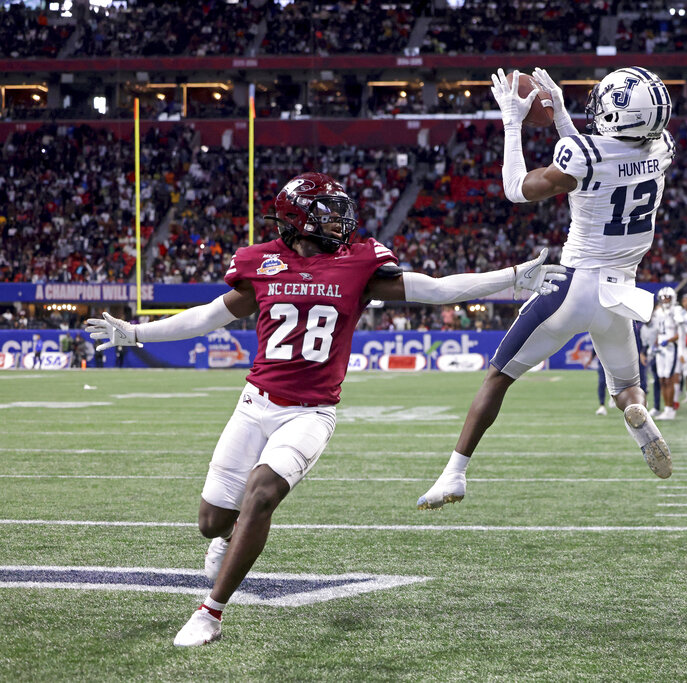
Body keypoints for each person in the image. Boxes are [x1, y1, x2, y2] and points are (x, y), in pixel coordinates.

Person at [86, 172, 566, 647]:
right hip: (254, 405)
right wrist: (134, 333)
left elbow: (437, 289)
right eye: (327, 211)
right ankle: (227, 539)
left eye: (341, 210)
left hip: (310, 412)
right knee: (212, 521)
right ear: (297, 217)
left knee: (261, 494)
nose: (340, 220)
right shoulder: (262, 262)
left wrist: (514, 278)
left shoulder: (359, 263)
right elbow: (208, 316)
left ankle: (210, 613)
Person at [416, 66, 677, 510]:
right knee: (627, 387)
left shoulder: (583, 155)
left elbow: (517, 189)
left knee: (498, 377)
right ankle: (637, 416)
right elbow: (602, 155)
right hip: (621, 294)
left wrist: (512, 121)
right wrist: (558, 115)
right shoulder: (663, 147)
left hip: (571, 288)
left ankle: (453, 474)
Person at [651, 287, 683, 419]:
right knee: (662, 379)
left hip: (671, 347)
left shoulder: (677, 310)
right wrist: (656, 342)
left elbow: (680, 332)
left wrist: (669, 340)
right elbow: (658, 331)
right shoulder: (658, 312)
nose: (665, 300)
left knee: (669, 379)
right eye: (663, 297)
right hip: (661, 348)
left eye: (667, 297)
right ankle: (667, 409)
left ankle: (670, 409)